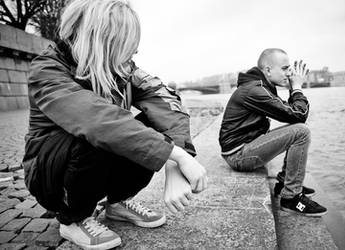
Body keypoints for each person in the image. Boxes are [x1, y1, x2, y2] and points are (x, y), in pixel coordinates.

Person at [22, 0, 207, 249]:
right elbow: (97, 120)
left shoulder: (122, 69)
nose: (133, 55)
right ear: (103, 42)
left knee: (146, 127)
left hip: (93, 160)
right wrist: (173, 154)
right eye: (126, 47)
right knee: (99, 135)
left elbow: (166, 100)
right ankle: (72, 218)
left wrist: (176, 162)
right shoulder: (47, 70)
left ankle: (118, 203)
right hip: (51, 174)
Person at [219, 48, 327, 217]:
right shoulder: (255, 90)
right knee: (301, 132)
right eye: (285, 68)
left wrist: (294, 89)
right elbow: (298, 115)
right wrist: (297, 87)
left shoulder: (260, 86)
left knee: (298, 129)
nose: (289, 73)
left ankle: (285, 184)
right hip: (238, 155)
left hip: (242, 149)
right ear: (268, 70)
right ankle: (291, 197)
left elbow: (293, 114)